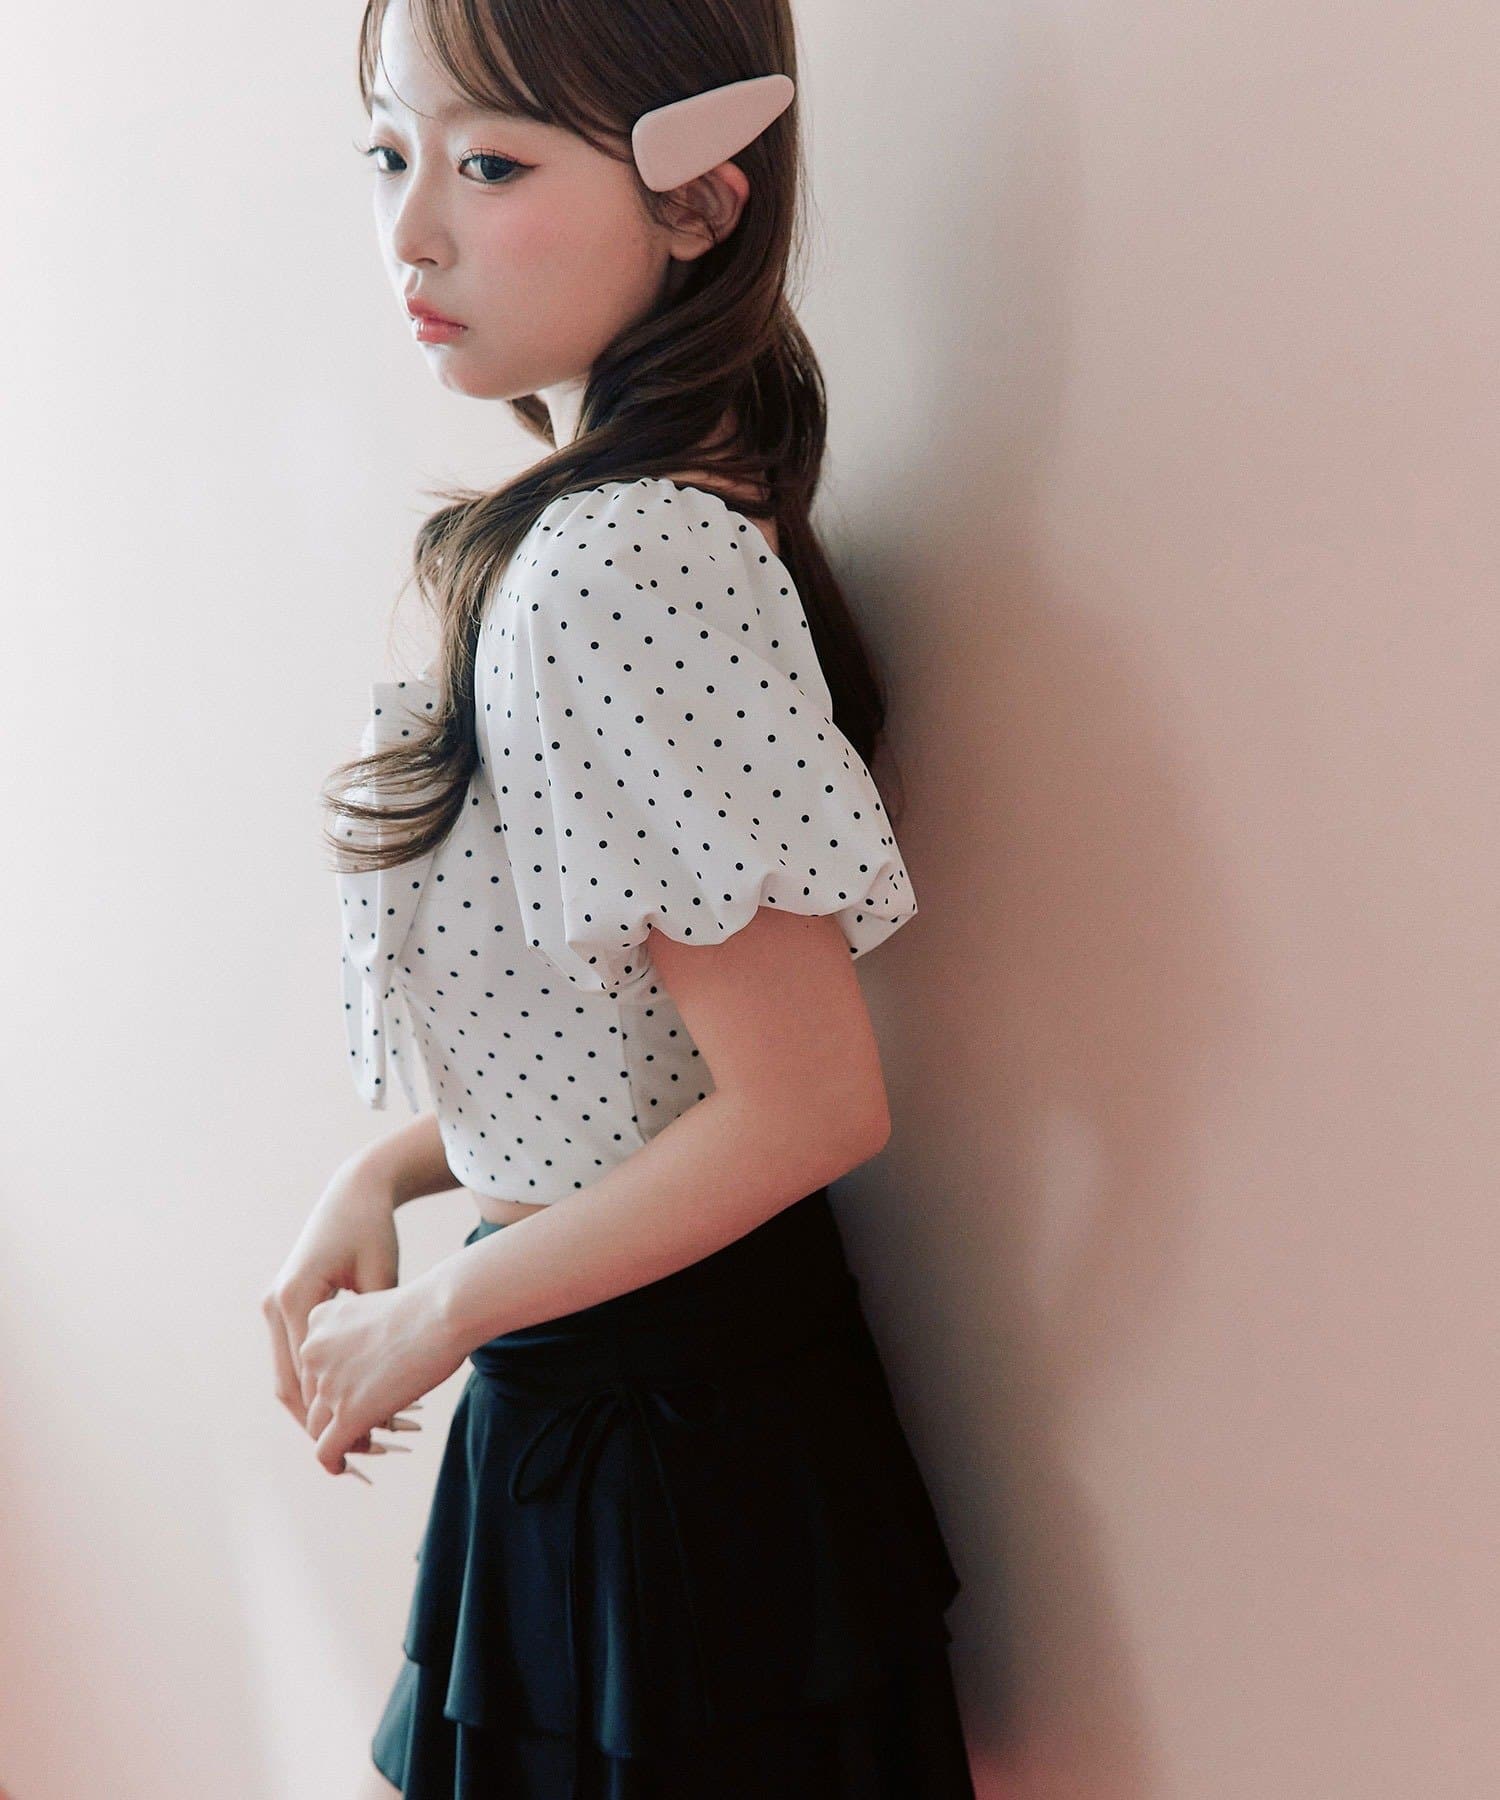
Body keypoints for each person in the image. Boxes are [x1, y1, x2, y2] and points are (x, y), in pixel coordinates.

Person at [260, 0, 976, 1794]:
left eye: (492, 165)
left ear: (700, 201)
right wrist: (391, 1173)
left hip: (666, 1454)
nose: (413, 231)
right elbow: (635, 1057)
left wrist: (441, 1314)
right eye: (390, 153)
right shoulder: (622, 526)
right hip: (637, 1413)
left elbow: (810, 1103)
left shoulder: (617, 555)